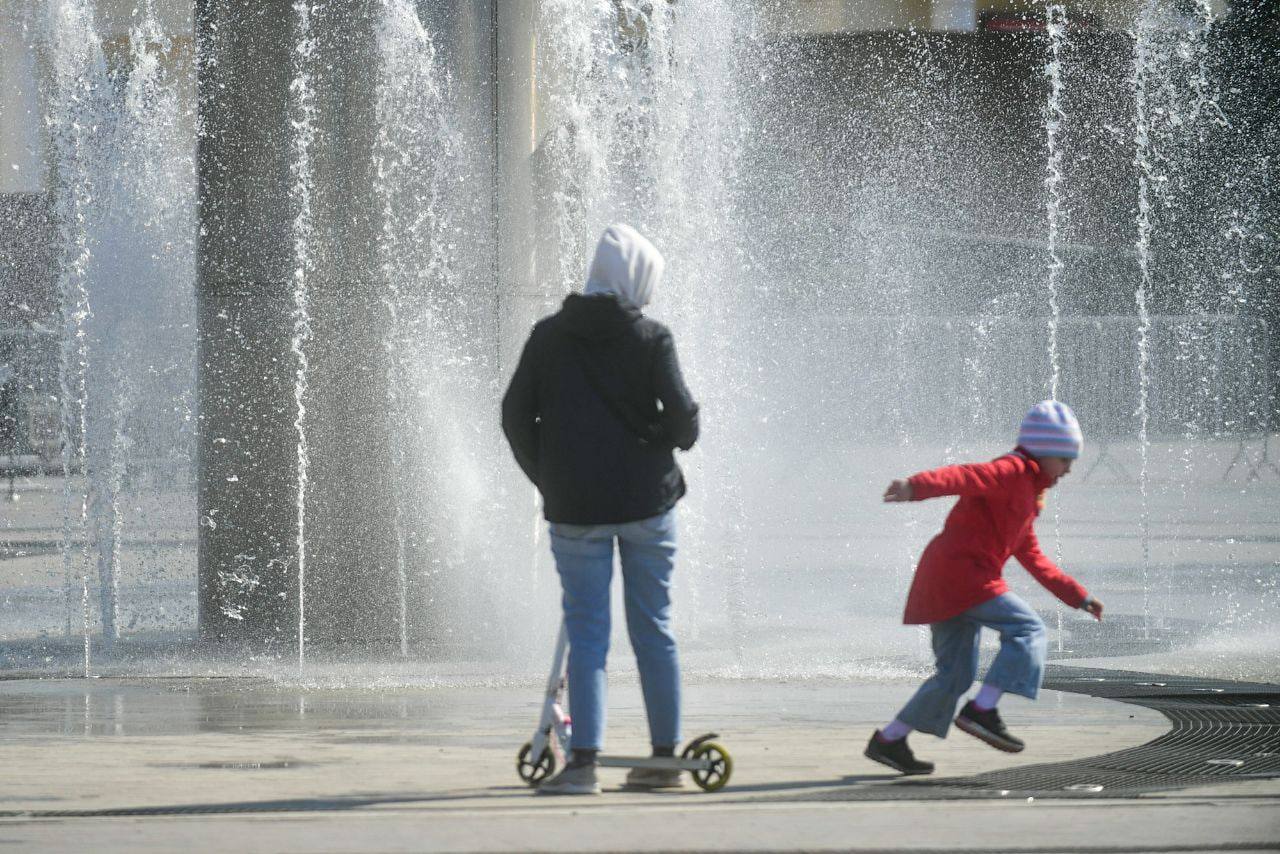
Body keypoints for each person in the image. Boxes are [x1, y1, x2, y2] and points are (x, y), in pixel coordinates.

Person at [502, 223, 700, 795]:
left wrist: (550, 478)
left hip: (575, 513)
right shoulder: (651, 338)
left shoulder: (547, 338)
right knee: (654, 630)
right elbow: (684, 422)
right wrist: (665, 437)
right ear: (635, 279)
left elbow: (515, 416)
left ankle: (584, 765)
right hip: (647, 504)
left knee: (589, 637)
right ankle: (664, 762)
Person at [864, 400, 1104, 775]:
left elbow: (1032, 557)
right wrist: (915, 487)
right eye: (1064, 459)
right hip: (962, 576)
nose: (1069, 469)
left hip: (949, 579)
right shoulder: (1009, 472)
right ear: (1042, 452)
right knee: (1028, 628)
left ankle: (890, 741)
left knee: (955, 676)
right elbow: (963, 476)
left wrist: (1078, 596)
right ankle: (982, 710)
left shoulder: (1028, 492)